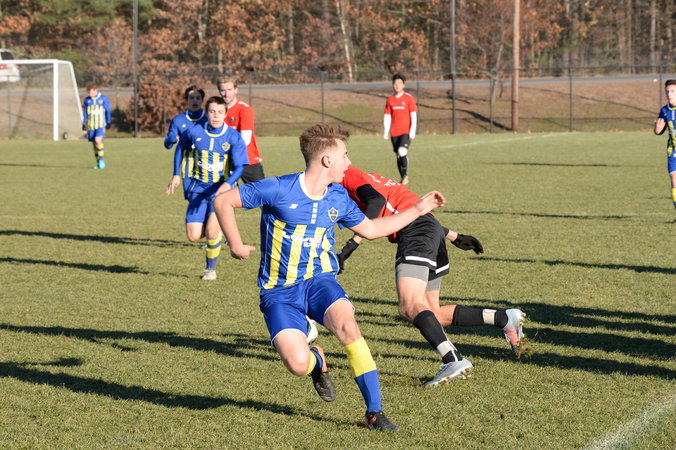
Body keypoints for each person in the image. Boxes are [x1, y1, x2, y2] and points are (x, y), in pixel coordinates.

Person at [212, 123, 446, 431]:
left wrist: (417, 209)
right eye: (344, 155)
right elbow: (223, 201)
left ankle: (374, 412)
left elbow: (372, 229)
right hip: (279, 291)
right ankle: (317, 362)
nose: (349, 162)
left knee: (348, 325)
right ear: (326, 160)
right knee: (297, 365)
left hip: (320, 280)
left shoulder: (338, 197)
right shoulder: (279, 188)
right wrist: (236, 244)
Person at [336, 165, 526, 387]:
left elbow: (376, 202)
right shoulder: (363, 177)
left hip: (416, 234)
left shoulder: (348, 175)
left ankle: (453, 359)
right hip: (431, 229)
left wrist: (349, 247)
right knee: (432, 313)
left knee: (409, 306)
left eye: (344, 154)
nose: (346, 159)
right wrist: (455, 236)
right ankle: (504, 318)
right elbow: (408, 208)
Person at [183, 96, 248, 280]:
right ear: (206, 113)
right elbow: (182, 149)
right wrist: (178, 176)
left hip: (221, 193)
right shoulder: (195, 131)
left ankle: (210, 270)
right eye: (212, 112)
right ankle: (215, 229)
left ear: (225, 114)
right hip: (198, 189)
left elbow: (240, 167)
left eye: (220, 112)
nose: (216, 116)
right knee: (193, 236)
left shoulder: (233, 136)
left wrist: (227, 184)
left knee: (212, 231)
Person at [217, 79, 265, 183]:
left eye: (229, 90)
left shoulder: (244, 109)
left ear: (236, 90)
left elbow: (245, 139)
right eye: (223, 90)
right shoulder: (217, 110)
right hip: (224, 160)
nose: (226, 94)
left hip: (247, 160)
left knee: (261, 191)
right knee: (223, 191)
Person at [164, 85, 208, 199]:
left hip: (207, 165)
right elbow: (168, 145)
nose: (195, 101)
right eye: (191, 98)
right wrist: (170, 139)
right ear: (186, 100)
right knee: (193, 200)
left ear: (202, 100)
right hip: (188, 166)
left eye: (198, 98)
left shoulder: (209, 119)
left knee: (210, 202)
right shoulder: (178, 120)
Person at [383, 73, 417, 185]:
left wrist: (412, 131)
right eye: (395, 83)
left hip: (405, 131)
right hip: (394, 132)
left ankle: (405, 174)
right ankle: (403, 177)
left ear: (403, 85)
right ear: (393, 85)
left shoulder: (409, 98)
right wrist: (385, 132)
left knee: (402, 151)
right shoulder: (390, 100)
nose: (397, 85)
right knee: (398, 155)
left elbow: (413, 116)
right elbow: (387, 116)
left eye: (399, 83)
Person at [653, 79, 676, 211]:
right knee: (674, 180)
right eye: (667, 91)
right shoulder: (664, 110)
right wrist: (657, 130)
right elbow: (659, 130)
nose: (669, 94)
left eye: (673, 91)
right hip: (673, 151)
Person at [82, 82, 112, 169]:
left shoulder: (104, 99)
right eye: (89, 92)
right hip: (91, 125)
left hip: (100, 124)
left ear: (96, 90)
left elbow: (108, 111)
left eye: (91, 92)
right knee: (94, 144)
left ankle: (102, 160)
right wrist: (84, 123)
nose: (90, 94)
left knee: (98, 140)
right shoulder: (87, 100)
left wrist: (109, 121)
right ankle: (98, 162)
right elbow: (85, 113)